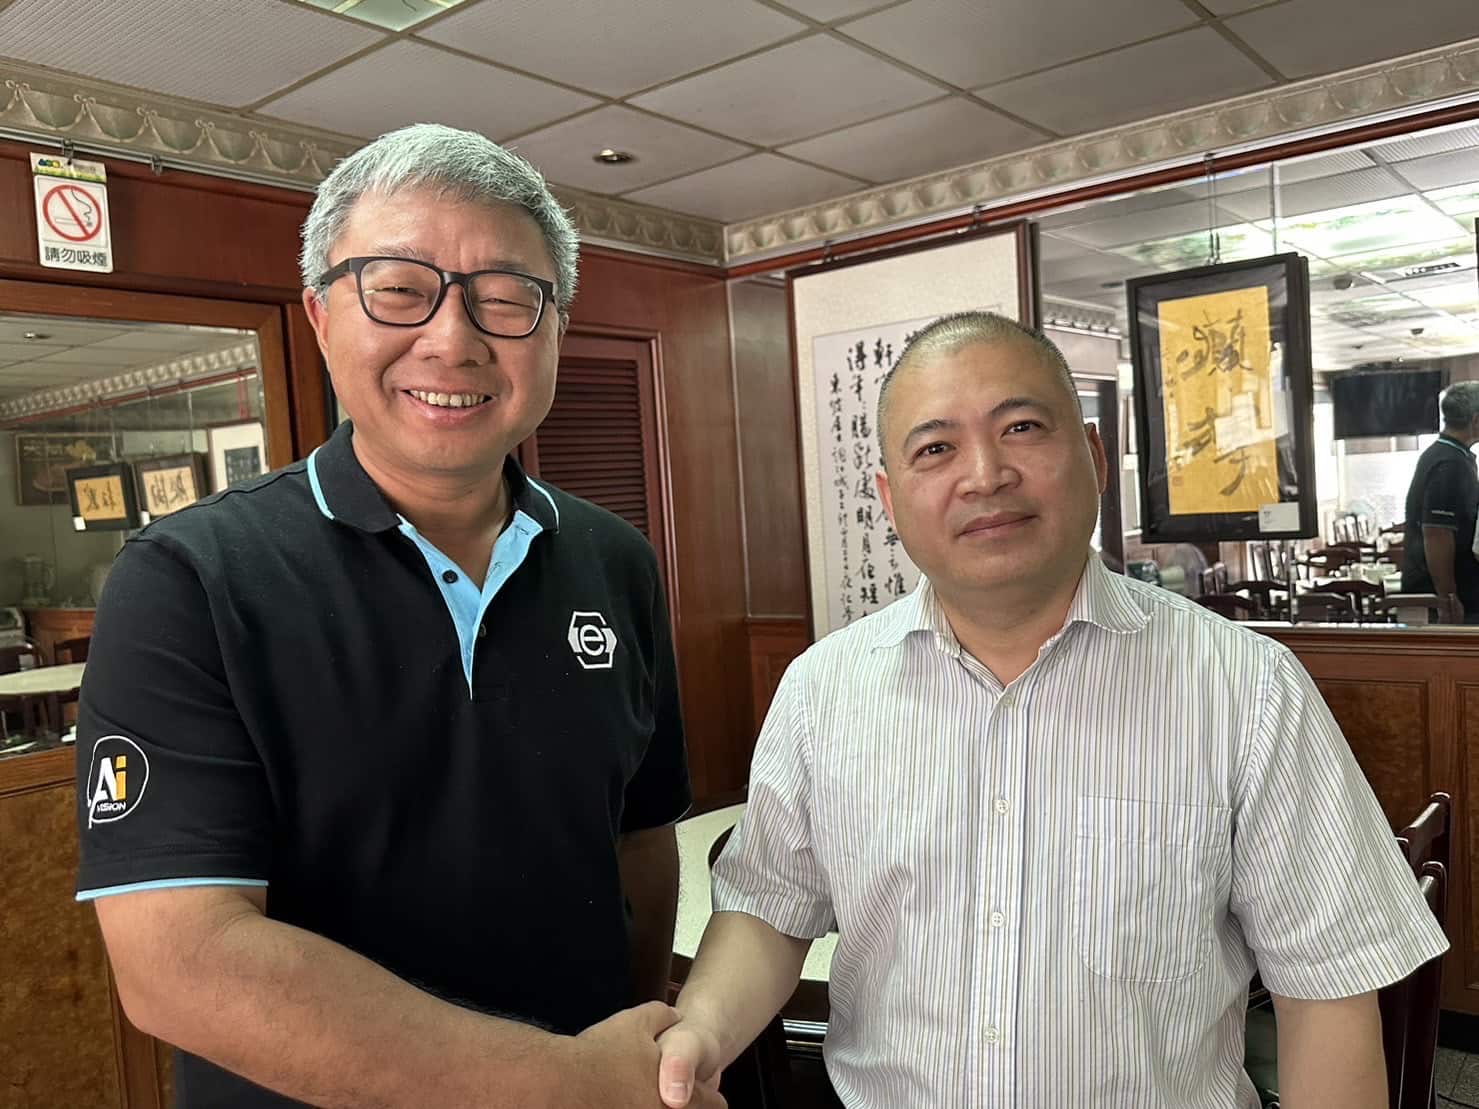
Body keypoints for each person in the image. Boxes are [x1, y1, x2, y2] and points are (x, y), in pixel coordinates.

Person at [75, 123, 719, 1109]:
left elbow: (638, 836)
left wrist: (627, 1057)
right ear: (321, 314)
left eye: (505, 296)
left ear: (554, 326)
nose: (453, 339)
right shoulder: (187, 580)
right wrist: (565, 1083)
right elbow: (181, 962)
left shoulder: (614, 560)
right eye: (400, 288)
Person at [656, 312, 1446, 1109]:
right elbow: (768, 910)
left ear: (1093, 457)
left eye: (1021, 427)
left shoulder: (1247, 688)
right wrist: (703, 1030)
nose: (984, 474)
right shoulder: (820, 690)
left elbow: (1325, 993)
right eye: (935, 448)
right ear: (889, 500)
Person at [1400, 380, 1479, 623]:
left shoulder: (1447, 454)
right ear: (1476, 420)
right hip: (1439, 597)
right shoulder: (1450, 463)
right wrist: (1448, 598)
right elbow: (1437, 533)